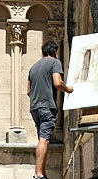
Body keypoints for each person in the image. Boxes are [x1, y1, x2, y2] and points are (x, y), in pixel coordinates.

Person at [27, 41, 73, 179]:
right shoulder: (55, 62)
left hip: (35, 107)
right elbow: (58, 83)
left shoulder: (33, 67)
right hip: (47, 107)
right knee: (45, 140)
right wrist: (68, 89)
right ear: (54, 52)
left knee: (42, 139)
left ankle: (42, 173)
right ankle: (38, 174)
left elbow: (29, 91)